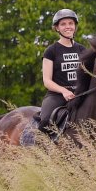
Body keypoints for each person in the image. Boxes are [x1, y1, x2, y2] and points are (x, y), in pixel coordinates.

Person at [38, 8, 86, 138]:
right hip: (57, 95)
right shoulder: (51, 51)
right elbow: (47, 81)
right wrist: (63, 91)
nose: (68, 27)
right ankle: (39, 151)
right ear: (57, 28)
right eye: (63, 24)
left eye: (70, 23)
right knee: (45, 120)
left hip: (80, 94)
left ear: (75, 26)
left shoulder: (82, 49)